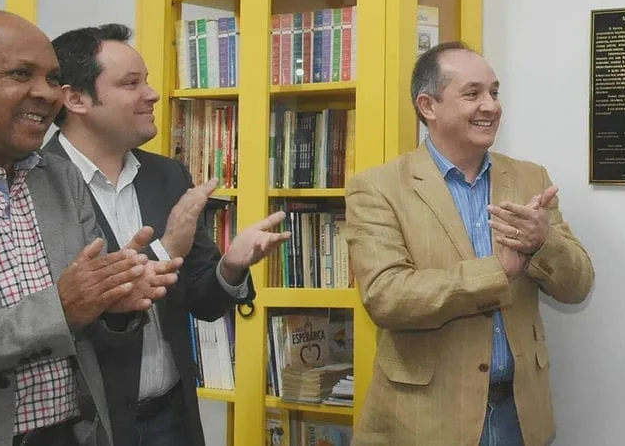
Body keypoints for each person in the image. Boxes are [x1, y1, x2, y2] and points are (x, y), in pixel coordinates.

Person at [45, 23, 291, 446]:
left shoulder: (167, 174)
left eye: (147, 80)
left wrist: (231, 268)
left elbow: (202, 301)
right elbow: (65, 309)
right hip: (86, 426)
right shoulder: (36, 181)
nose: (152, 94)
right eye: (130, 83)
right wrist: (166, 247)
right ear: (75, 98)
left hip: (172, 416)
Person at [0, 10, 178, 446]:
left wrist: (114, 303)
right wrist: (59, 310)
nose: (46, 94)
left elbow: (87, 323)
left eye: (52, 78)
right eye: (19, 74)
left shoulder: (59, 178)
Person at [344, 41, 594, 446]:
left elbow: (578, 285)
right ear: (428, 106)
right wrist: (497, 272)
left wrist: (544, 242)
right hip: (424, 423)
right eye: (472, 93)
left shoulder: (532, 179)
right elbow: (386, 297)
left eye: (494, 92)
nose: (491, 106)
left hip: (520, 415)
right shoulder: (378, 188)